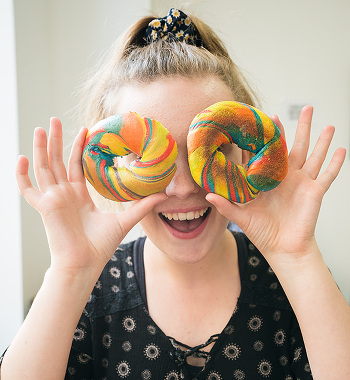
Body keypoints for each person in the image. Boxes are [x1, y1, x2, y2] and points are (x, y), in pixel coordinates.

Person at [1, 8, 349, 380]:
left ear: (245, 151)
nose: (183, 187)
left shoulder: (293, 281)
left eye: (213, 149)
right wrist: (70, 272)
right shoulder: (86, 292)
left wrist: (297, 257)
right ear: (114, 164)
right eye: (150, 156)